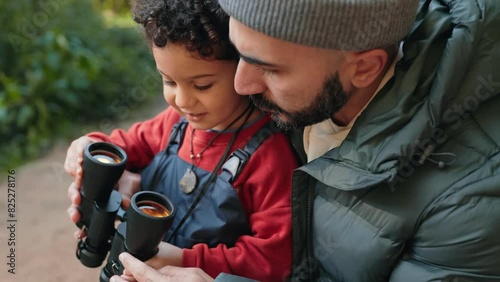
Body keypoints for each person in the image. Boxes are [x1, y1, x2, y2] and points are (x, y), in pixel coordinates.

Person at [105, 0, 500, 281]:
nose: (242, 85)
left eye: (269, 69)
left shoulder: (469, 199)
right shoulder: (299, 98)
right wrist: (136, 175)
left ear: (364, 67)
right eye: (239, 54)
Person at [65, 0, 298, 281]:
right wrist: (87, 146)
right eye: (169, 82)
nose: (183, 101)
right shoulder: (176, 124)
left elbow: (272, 258)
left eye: (202, 85)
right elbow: (124, 144)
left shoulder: (269, 157)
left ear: (245, 68)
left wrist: (185, 258)